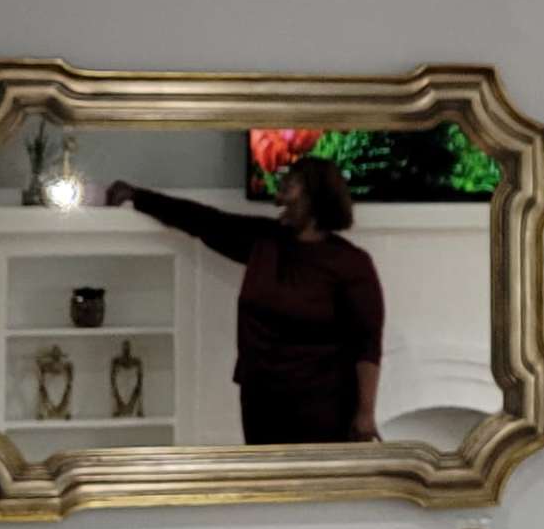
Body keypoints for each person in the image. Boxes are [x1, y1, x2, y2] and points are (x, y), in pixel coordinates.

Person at [106, 157, 385, 442]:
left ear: (314, 195)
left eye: (293, 181)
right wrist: (138, 197)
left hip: (323, 407)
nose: (282, 190)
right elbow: (202, 221)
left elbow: (367, 344)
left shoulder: (351, 264)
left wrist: (365, 414)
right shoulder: (265, 240)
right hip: (260, 400)